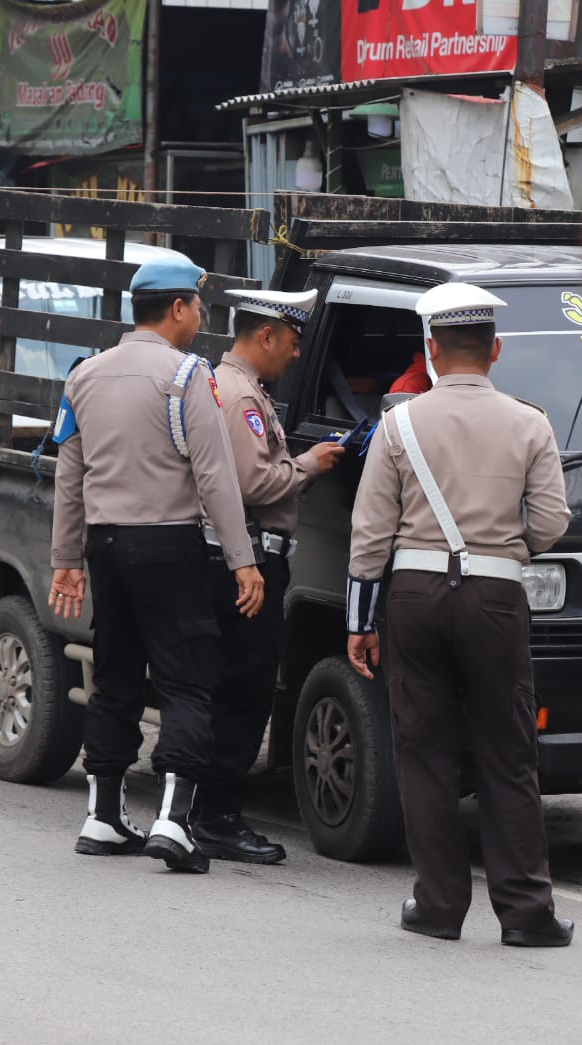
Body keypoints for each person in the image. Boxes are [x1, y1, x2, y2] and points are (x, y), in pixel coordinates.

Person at [343, 281, 575, 947]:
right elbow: (552, 522)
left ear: (431, 351)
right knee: (508, 752)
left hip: (414, 596)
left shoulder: (399, 423)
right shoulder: (529, 422)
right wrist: (503, 551)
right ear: (495, 350)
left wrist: (359, 620)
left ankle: (438, 906)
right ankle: (526, 914)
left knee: (423, 751)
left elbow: (370, 533)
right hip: (496, 598)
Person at [48, 253, 265, 875]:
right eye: (198, 307)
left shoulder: (84, 375)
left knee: (115, 677)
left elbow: (69, 475)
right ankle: (174, 820)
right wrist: (243, 560)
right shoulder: (189, 374)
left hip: (105, 547)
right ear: (176, 308)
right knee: (187, 680)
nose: (201, 319)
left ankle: (103, 815)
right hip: (169, 546)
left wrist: (66, 558)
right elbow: (215, 475)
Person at [193, 288, 346, 864]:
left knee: (230, 687)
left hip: (239, 557)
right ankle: (217, 818)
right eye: (293, 341)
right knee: (244, 690)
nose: (297, 353)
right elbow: (253, 483)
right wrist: (309, 464)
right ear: (266, 336)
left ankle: (205, 810)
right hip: (249, 560)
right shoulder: (240, 396)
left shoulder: (235, 387)